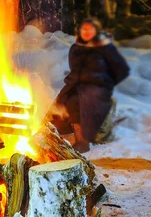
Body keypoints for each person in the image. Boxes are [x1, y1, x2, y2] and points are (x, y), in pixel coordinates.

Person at [43, 18, 129, 153]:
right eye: (84, 29)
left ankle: (82, 142)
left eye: (90, 29)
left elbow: (121, 69)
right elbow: (75, 69)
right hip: (77, 84)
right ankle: (48, 132)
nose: (87, 32)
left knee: (79, 101)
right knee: (65, 100)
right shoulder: (76, 48)